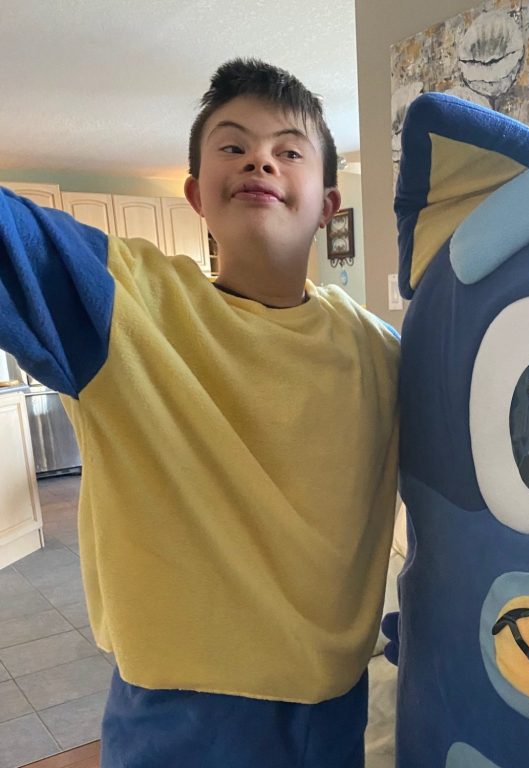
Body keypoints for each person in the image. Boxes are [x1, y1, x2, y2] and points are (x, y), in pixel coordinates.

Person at [0, 59, 399, 768]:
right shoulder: (127, 303)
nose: (259, 161)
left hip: (335, 710)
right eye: (233, 145)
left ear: (328, 205)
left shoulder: (378, 349)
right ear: (196, 195)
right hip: (183, 721)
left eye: (288, 151)